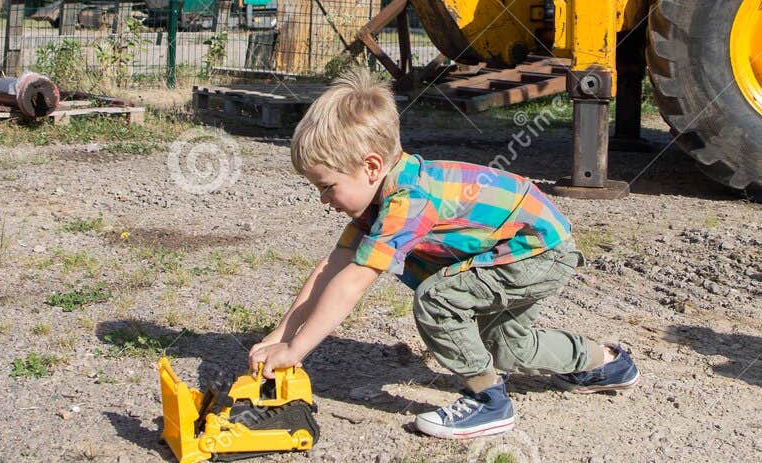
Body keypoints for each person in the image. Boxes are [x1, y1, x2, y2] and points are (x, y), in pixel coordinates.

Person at [249, 64, 638, 440]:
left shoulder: (408, 201)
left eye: (327, 186)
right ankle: (606, 363)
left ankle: (487, 400)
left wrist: (297, 349)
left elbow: (353, 281)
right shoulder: (379, 202)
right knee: (508, 347)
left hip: (538, 250)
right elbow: (329, 269)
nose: (323, 199)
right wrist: (279, 337)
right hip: (525, 246)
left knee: (436, 297)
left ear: (370, 166)